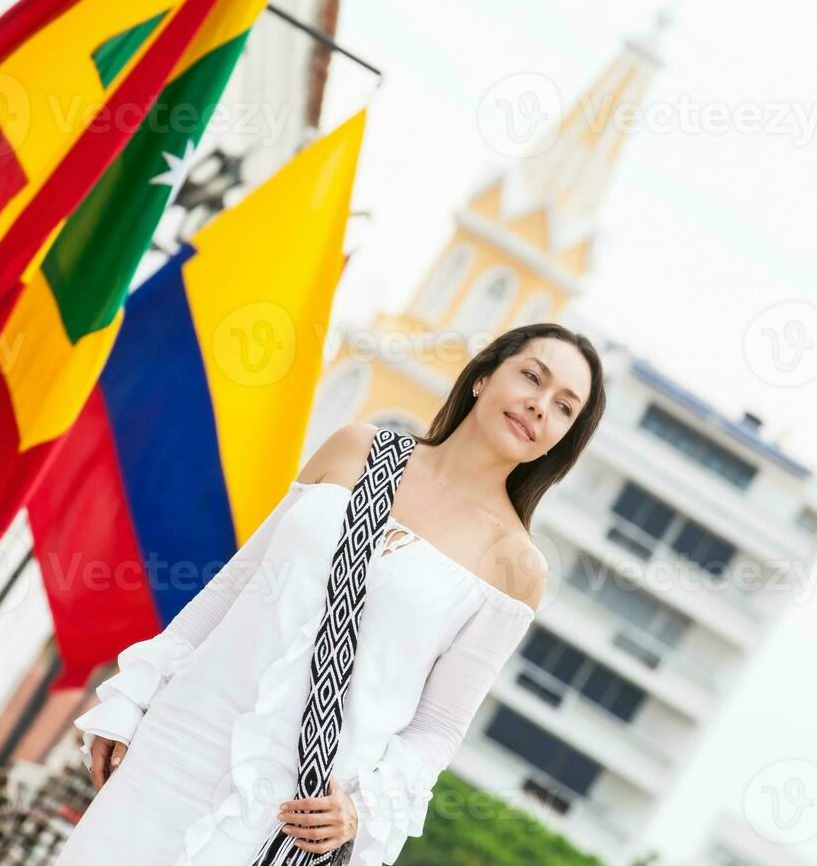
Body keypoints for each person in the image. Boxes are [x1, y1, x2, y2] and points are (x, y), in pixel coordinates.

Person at [58, 324, 604, 865]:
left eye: (563, 407)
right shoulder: (357, 449)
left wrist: (364, 808)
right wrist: (135, 698)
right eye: (532, 377)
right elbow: (235, 585)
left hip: (288, 813)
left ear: (564, 438)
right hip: (180, 742)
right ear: (484, 377)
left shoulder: (516, 566)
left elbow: (438, 726)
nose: (539, 406)